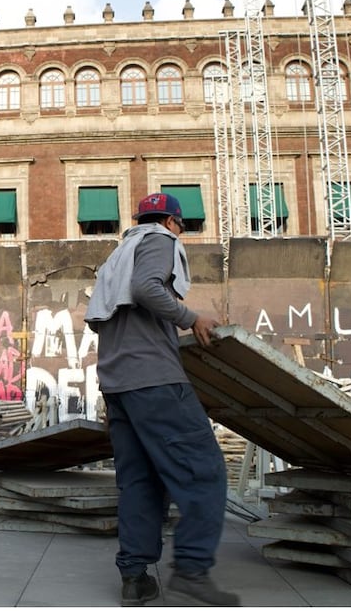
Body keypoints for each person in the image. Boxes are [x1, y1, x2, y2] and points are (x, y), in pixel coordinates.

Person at [85, 192, 237, 607]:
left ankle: (135, 577)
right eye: (181, 227)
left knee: (140, 482)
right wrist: (192, 318)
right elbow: (147, 286)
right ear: (174, 223)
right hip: (154, 380)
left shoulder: (120, 254)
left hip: (118, 386)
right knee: (204, 472)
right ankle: (191, 571)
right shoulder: (159, 241)